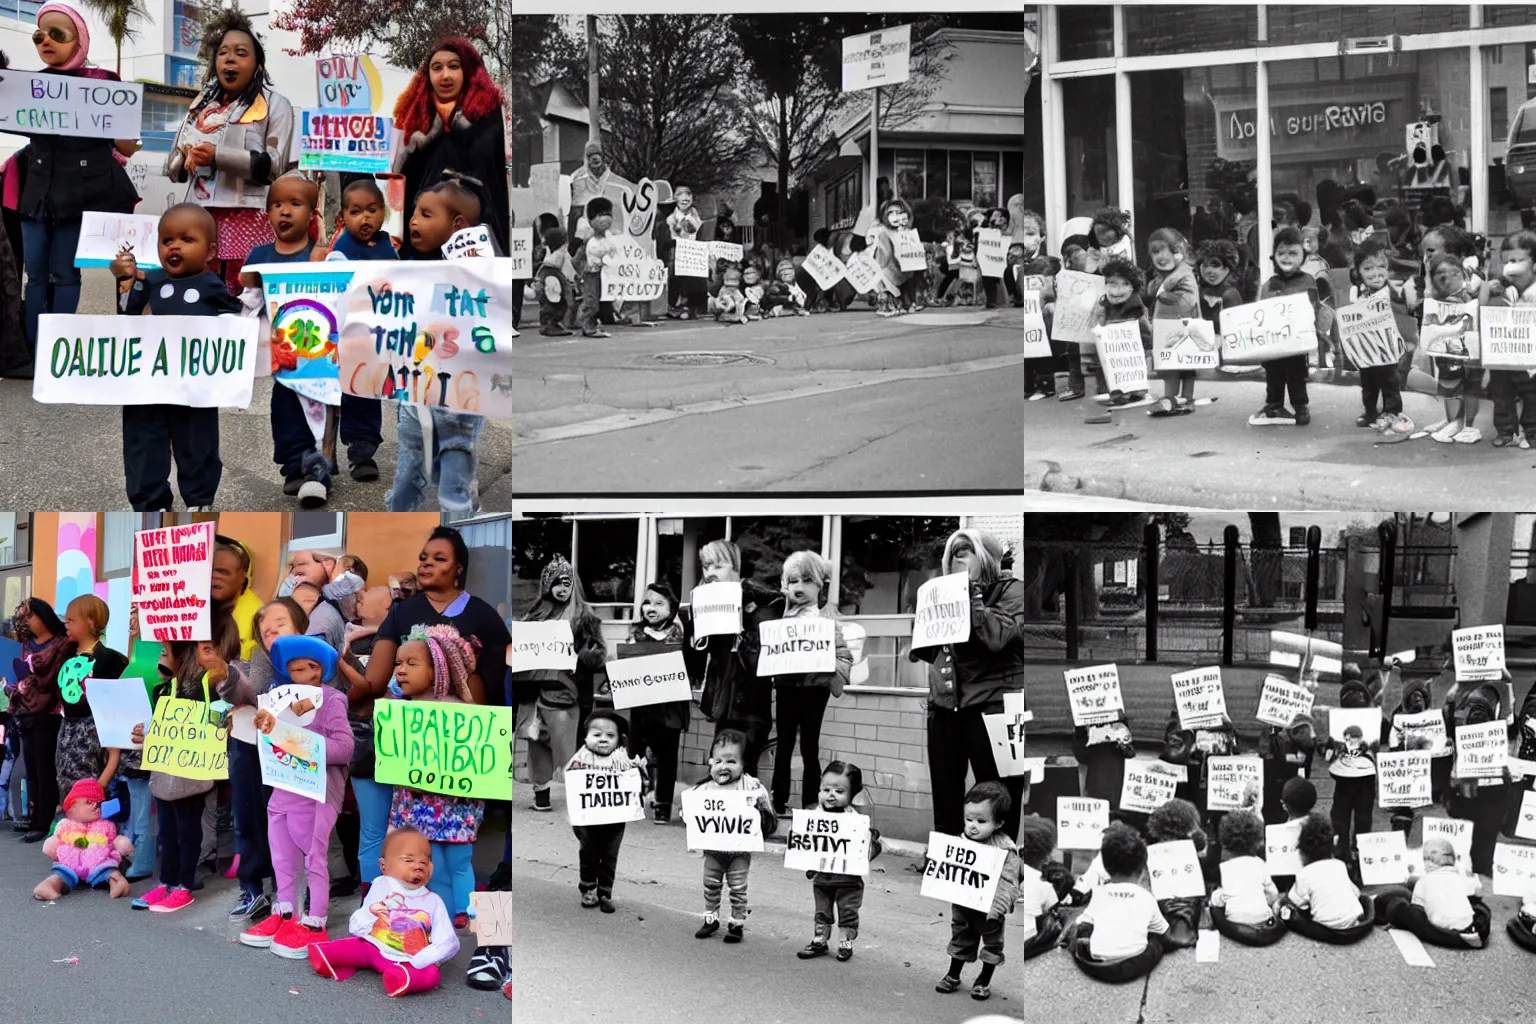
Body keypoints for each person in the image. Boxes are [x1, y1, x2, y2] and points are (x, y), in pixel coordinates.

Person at [16, 3, 139, 351]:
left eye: (57, 34)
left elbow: (127, 147)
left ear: (79, 41)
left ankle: (58, 348)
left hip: (79, 193)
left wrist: (121, 116)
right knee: (35, 272)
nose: (46, 41)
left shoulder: (103, 84)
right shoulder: (28, 86)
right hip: (36, 192)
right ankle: (33, 346)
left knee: (64, 271)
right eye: (39, 35)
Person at [108, 203, 241, 511]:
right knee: (144, 445)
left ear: (209, 252)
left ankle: (199, 500)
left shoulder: (210, 285)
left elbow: (236, 323)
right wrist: (126, 280)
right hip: (148, 387)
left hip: (192, 389)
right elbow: (127, 313)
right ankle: (150, 504)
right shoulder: (151, 280)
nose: (174, 246)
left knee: (198, 445)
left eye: (186, 239)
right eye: (166, 240)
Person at [236, 634, 353, 958]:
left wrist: (297, 742)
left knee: (314, 857)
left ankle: (315, 923)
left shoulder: (332, 700)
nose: (303, 674)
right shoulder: (276, 699)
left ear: (321, 669)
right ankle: (285, 913)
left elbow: (345, 748)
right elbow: (265, 738)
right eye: (295, 668)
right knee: (282, 858)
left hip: (316, 793)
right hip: (282, 789)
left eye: (310, 667)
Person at [165, 10, 295, 293]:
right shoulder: (199, 105)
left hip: (247, 215)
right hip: (198, 216)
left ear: (257, 64)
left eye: (240, 53)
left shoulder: (276, 105)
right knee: (197, 291)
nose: (230, 59)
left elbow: (274, 167)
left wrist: (217, 156)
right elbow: (172, 169)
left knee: (243, 292)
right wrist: (184, 156)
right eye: (223, 52)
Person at [914, 529, 1025, 841]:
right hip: (945, 705)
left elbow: (999, 637)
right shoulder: (945, 592)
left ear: (986, 557)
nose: (955, 558)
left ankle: (1000, 858)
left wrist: (972, 596)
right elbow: (929, 650)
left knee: (999, 790)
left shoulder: (1012, 591)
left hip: (994, 706)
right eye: (951, 553)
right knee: (946, 788)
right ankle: (947, 857)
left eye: (964, 550)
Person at [130, 623, 243, 913]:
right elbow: (161, 726)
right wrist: (148, 733)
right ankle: (167, 882)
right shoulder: (164, 690)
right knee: (166, 830)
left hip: (191, 771)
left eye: (167, 651)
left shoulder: (207, 690)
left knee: (187, 830)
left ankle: (184, 885)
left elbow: (218, 723)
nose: (162, 655)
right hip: (165, 769)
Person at [386, 625, 483, 925]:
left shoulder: (462, 711)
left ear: (436, 671)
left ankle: (465, 913)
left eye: (411, 664)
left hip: (457, 804)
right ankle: (442, 913)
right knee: (433, 862)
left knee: (459, 861)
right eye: (398, 664)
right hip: (418, 805)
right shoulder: (398, 712)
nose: (401, 670)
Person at [220, 597, 307, 922]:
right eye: (265, 631)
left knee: (292, 825)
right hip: (251, 746)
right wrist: (228, 678)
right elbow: (252, 691)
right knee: (249, 819)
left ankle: (294, 894)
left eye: (280, 626)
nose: (272, 635)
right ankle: (253, 889)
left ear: (301, 625)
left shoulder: (316, 657)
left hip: (297, 752)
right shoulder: (259, 657)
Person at [308, 827, 459, 996]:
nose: (418, 867)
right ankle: (326, 954)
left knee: (431, 974)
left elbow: (448, 942)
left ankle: (401, 978)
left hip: (407, 960)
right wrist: (370, 913)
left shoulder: (433, 901)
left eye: (424, 862)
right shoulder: (381, 885)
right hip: (374, 948)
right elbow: (357, 927)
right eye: (408, 861)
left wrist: (419, 961)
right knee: (352, 945)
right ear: (384, 865)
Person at [393, 37, 508, 255]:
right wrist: (421, 144)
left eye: (454, 66)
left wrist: (461, 129)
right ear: (428, 75)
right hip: (422, 244)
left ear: (468, 71)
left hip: (472, 242)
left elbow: (489, 169)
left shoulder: (488, 114)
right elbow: (401, 180)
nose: (445, 75)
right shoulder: (416, 117)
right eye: (437, 68)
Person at [680, 540, 782, 779]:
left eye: (718, 565)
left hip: (751, 703)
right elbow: (694, 664)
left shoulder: (763, 603)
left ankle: (752, 813)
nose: (710, 573)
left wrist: (742, 621)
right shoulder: (704, 604)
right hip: (722, 702)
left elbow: (762, 663)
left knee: (745, 769)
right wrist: (693, 630)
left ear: (735, 567)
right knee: (721, 765)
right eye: (706, 567)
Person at [517, 555, 604, 812]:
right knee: (537, 742)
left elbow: (597, 655)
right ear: (546, 585)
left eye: (567, 583)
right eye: (557, 583)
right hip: (535, 694)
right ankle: (541, 794)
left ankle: (579, 795)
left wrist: (587, 651)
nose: (563, 588)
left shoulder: (584, 617)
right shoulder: (534, 615)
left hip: (568, 694)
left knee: (569, 746)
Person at [769, 551, 851, 816]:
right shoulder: (780, 617)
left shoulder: (829, 618)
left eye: (806, 580)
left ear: (820, 584)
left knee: (809, 746)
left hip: (815, 689)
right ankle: (778, 799)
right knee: (783, 744)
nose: (799, 587)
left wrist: (831, 672)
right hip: (786, 687)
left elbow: (843, 656)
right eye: (792, 581)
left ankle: (810, 803)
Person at [933, 782, 1020, 1002]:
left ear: (998, 823)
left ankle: (984, 980)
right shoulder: (961, 841)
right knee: (961, 939)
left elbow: (1009, 881)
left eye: (981, 821)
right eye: (968, 819)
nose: (972, 826)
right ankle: (953, 975)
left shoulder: (1005, 849)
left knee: (992, 945)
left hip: (990, 910)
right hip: (964, 907)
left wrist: (998, 907)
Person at [691, 729, 777, 944]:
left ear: (743, 763)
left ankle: (736, 924)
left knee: (738, 888)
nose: (723, 767)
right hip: (713, 849)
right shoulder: (703, 789)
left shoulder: (752, 787)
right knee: (710, 884)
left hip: (739, 850)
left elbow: (769, 817)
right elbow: (692, 816)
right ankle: (710, 919)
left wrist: (761, 807)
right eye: (718, 760)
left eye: (731, 761)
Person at [796, 761, 882, 962]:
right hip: (822, 878)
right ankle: (819, 940)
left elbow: (871, 849)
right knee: (822, 912)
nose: (831, 795)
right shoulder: (813, 818)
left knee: (848, 913)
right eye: (825, 789)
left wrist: (868, 845)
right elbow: (808, 846)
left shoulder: (857, 822)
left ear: (852, 794)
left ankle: (845, 943)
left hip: (848, 880)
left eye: (839, 791)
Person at [1249, 226, 1332, 427]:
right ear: (1274, 256)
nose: (1287, 258)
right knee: (1273, 375)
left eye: (1293, 253)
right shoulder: (1269, 284)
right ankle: (1274, 404)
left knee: (1297, 375)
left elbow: (1312, 308)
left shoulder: (1308, 281)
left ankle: (1301, 406)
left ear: (1303, 256)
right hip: (1273, 344)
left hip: (1296, 343)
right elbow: (1259, 311)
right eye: (1281, 253)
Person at [1067, 823, 1169, 983]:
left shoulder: (1098, 893)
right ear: (1142, 870)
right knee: (1157, 944)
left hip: (1096, 961)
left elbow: (1083, 923)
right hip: (1135, 962)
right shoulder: (1146, 897)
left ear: (1106, 868)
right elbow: (1163, 931)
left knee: (1086, 928)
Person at [565, 709, 645, 913]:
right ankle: (588, 886)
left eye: (610, 736)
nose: (603, 739)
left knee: (610, 854)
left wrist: (639, 772)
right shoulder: (580, 758)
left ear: (619, 740)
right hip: (588, 820)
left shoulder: (621, 759)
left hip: (615, 819)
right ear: (586, 737)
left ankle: (605, 892)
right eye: (597, 735)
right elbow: (572, 782)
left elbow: (635, 784)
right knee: (589, 852)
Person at [622, 581, 689, 824]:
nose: (651, 608)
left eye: (659, 603)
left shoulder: (678, 633)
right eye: (647, 602)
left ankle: (663, 804)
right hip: (642, 705)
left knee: (667, 757)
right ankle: (635, 797)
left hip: (669, 707)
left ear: (671, 609)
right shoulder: (635, 632)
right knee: (636, 754)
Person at [6, 598, 68, 842]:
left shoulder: (61, 644)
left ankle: (44, 821)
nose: (25, 621)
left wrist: (28, 680)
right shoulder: (27, 644)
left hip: (49, 713)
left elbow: (48, 680)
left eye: (29, 616)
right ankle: (32, 816)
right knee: (30, 766)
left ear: (43, 616)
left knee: (45, 768)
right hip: (25, 712)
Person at [54, 596, 127, 799]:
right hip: (67, 729)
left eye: (71, 620)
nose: (66, 625)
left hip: (94, 730)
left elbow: (118, 701)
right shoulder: (65, 656)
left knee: (90, 792)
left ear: (90, 622)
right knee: (67, 787)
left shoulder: (110, 660)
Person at [1370, 836, 1490, 948]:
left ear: (1429, 862)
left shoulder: (1423, 881)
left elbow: (1417, 909)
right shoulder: (1460, 877)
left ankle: (1382, 915)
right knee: (1478, 907)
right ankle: (1469, 934)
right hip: (1467, 927)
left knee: (1400, 905)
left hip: (1440, 928)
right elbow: (1477, 894)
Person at [1277, 814, 1373, 942]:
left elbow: (1295, 902)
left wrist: (1281, 903)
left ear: (1303, 851)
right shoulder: (1339, 865)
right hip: (1356, 925)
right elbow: (1356, 893)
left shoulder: (1305, 874)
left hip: (1329, 930)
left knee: (1287, 912)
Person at [1486, 231, 1536, 448]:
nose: (1511, 266)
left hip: (1531, 355)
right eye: (1507, 261)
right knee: (1501, 390)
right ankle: (1506, 431)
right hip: (1504, 352)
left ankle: (1532, 431)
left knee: (1532, 393)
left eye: (1518, 261)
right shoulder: (1503, 289)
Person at [1208, 810, 1283, 945]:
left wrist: (1215, 901)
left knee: (1217, 896)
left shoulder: (1224, 868)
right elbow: (1273, 893)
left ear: (1225, 842)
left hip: (1234, 921)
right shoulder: (1260, 863)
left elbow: (1219, 900)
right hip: (1264, 919)